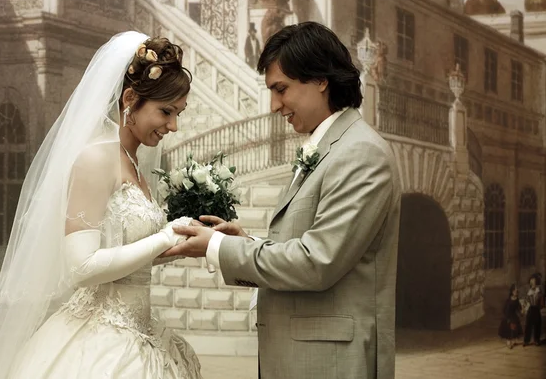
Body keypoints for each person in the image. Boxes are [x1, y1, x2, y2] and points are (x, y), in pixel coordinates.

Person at [163, 21, 401, 379]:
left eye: (281, 89)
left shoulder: (361, 153)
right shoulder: (330, 146)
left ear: (321, 80)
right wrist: (246, 243)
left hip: (330, 365)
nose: (274, 105)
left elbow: (318, 262)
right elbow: (311, 246)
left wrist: (216, 248)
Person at [0, 32, 202, 378]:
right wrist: (164, 238)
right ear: (129, 98)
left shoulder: (134, 163)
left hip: (140, 332)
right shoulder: (97, 158)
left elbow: (125, 251)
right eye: (166, 112)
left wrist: (178, 244)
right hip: (101, 345)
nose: (173, 125)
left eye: (179, 113)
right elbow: (81, 267)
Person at [498, 284, 523, 349]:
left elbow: (519, 308)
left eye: (516, 291)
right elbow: (504, 309)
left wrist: (522, 311)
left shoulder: (517, 300)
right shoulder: (508, 299)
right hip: (507, 315)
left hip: (513, 316)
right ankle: (508, 341)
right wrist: (506, 316)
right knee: (508, 324)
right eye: (514, 290)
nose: (516, 292)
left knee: (513, 325)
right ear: (512, 291)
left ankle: (513, 340)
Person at [523, 273, 543, 346]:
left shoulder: (539, 291)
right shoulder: (528, 292)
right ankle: (526, 340)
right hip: (530, 309)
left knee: (537, 324)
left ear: (536, 282)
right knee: (528, 324)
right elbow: (526, 301)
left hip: (536, 309)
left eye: (534, 281)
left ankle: (536, 340)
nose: (532, 282)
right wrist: (525, 309)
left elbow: (541, 301)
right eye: (531, 281)